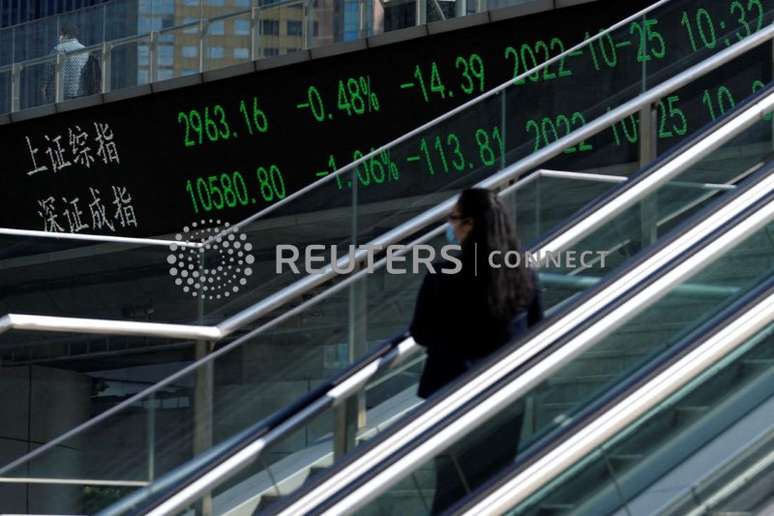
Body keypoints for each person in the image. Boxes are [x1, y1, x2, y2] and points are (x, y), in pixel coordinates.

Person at [409, 187, 543, 513]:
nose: (450, 226)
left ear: (470, 224)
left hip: (451, 395)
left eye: (453, 218)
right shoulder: (523, 274)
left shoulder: (444, 272)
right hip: (505, 399)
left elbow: (421, 332)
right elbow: (537, 329)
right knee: (494, 487)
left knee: (451, 489)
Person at [43, 22, 89, 102]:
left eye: (60, 33)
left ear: (65, 34)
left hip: (61, 92)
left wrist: (44, 86)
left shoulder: (58, 49)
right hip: (79, 90)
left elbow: (48, 71)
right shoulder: (84, 49)